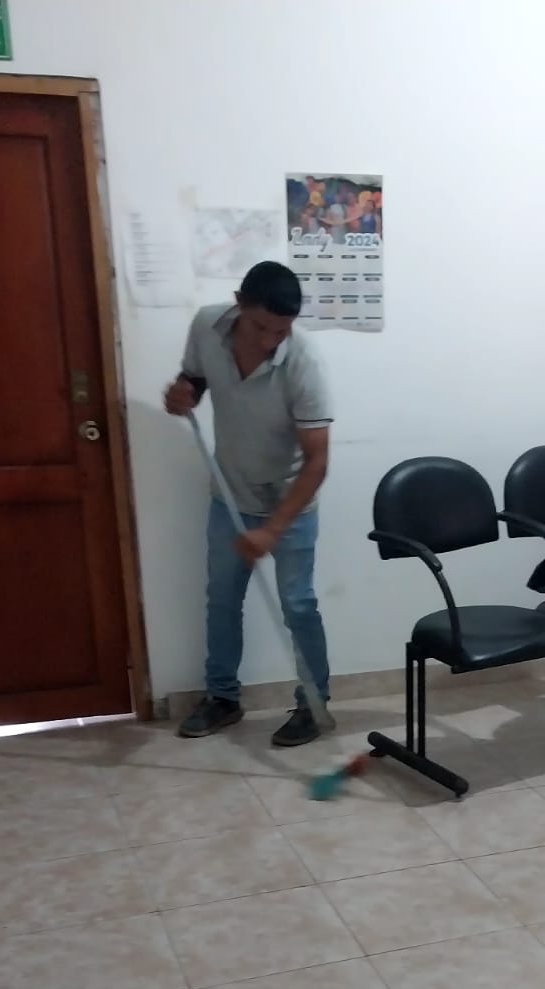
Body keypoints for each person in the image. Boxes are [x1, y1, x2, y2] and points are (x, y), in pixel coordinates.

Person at [164, 260, 334, 746]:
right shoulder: (207, 325)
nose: (269, 341)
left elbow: (317, 462)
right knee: (222, 599)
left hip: (290, 504)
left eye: (281, 331)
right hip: (230, 494)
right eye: (260, 327)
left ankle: (314, 703)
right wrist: (183, 395)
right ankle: (222, 698)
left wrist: (272, 529)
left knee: (299, 605)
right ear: (239, 303)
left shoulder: (303, 362)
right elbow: (194, 379)